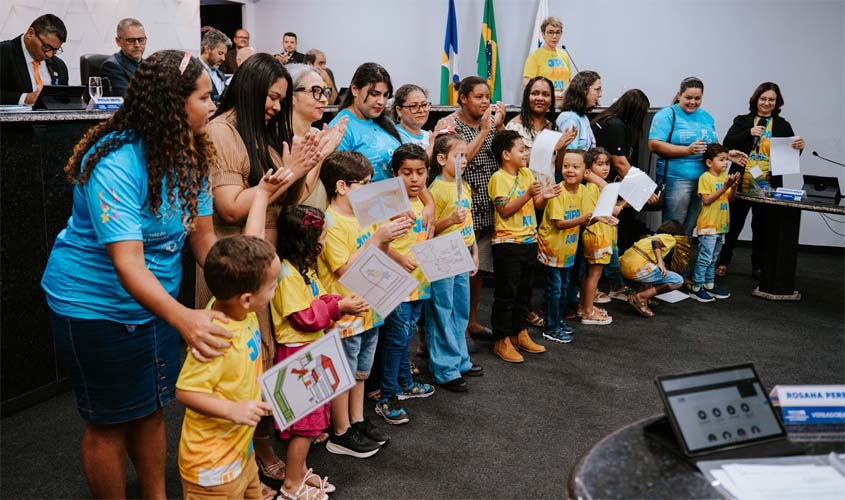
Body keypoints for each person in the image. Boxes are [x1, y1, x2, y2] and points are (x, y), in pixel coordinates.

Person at [40, 49, 222, 499]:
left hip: (154, 302)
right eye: (204, 97)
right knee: (109, 424)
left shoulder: (192, 151)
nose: (212, 106)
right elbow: (128, 264)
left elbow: (202, 238)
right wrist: (184, 318)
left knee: (152, 410)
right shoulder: (115, 162)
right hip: (93, 308)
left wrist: (242, 284)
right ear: (172, 103)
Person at [205, 52, 320, 492]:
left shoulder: (260, 132)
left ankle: (264, 445)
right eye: (271, 98)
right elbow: (232, 205)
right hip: (235, 257)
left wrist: (307, 166)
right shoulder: (221, 131)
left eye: (281, 99)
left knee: (267, 354)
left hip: (266, 254)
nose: (276, 107)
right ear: (251, 90)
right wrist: (285, 177)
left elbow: (288, 199)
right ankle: (248, 453)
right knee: (240, 364)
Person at [269, 204, 367, 500]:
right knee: (306, 426)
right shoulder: (287, 273)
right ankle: (291, 485)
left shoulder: (305, 268)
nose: (325, 241)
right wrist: (339, 307)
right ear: (308, 241)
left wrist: (338, 300)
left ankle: (299, 472)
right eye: (322, 236)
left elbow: (318, 296)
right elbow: (303, 316)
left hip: (311, 350)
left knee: (312, 421)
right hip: (297, 355)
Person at [318, 151, 412, 455]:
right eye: (365, 183)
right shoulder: (330, 221)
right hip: (345, 310)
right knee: (344, 372)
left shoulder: (362, 214)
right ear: (341, 186)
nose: (371, 189)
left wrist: (394, 232)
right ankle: (341, 431)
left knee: (360, 370)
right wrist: (379, 238)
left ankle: (357, 420)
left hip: (370, 305)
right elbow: (343, 269)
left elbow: (378, 250)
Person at [176, 235, 278, 500]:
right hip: (212, 466)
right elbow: (186, 392)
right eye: (272, 286)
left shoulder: (243, 313)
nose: (276, 288)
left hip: (241, 451)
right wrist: (233, 409)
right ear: (246, 298)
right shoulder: (215, 337)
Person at [718, 82, 806, 278]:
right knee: (732, 225)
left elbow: (789, 157)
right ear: (756, 100)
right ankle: (723, 261)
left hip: (768, 185)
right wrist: (749, 133)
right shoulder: (743, 121)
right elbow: (727, 143)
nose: (767, 103)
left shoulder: (783, 125)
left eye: (771, 100)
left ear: (777, 102)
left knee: (762, 227)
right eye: (763, 99)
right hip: (740, 182)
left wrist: (799, 147)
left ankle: (758, 265)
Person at [376, 144, 436, 424]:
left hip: (420, 283)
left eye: (420, 172)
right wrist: (398, 257)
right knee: (396, 340)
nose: (414, 179)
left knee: (405, 338)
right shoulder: (386, 203)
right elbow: (370, 242)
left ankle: (404, 383)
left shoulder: (424, 200)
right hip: (397, 285)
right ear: (394, 173)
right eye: (407, 173)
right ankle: (387, 397)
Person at [488, 130, 559, 363]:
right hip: (507, 243)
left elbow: (536, 204)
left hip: (529, 240)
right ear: (506, 155)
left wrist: (544, 196)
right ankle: (501, 339)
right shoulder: (498, 177)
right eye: (521, 149)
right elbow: (505, 210)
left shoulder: (527, 173)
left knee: (524, 292)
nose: (525, 153)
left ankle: (520, 333)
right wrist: (529, 194)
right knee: (506, 294)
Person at [648, 77, 747, 236]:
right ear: (679, 95)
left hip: (704, 179)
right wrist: (686, 151)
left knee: (691, 224)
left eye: (697, 98)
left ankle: (681, 258)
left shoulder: (706, 117)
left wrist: (727, 155)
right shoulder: (667, 115)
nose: (692, 102)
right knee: (673, 225)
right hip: (677, 178)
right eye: (688, 97)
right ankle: (665, 260)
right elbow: (653, 145)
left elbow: (711, 147)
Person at [448, 76, 506, 340]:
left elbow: (505, 154)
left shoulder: (491, 124)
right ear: (463, 98)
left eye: (487, 97)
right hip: (460, 210)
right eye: (479, 97)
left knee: (478, 269)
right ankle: (457, 330)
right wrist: (484, 131)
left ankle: (471, 322)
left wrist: (500, 127)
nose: (485, 102)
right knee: (457, 273)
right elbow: (461, 162)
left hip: (486, 205)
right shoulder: (450, 124)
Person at [427, 133, 483, 391]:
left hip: (461, 253)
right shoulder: (434, 190)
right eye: (457, 156)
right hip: (441, 254)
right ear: (440, 158)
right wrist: (449, 220)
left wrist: (474, 252)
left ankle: (460, 359)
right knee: (442, 310)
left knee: (460, 308)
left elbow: (468, 223)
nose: (463, 161)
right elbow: (427, 230)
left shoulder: (465, 185)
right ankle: (444, 367)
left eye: (464, 156)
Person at [591, 88, 653, 255]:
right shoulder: (615, 124)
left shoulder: (607, 118)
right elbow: (620, 163)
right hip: (601, 182)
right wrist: (645, 188)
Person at [537, 149, 588, 343]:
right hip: (551, 249)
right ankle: (551, 327)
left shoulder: (583, 191)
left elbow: (584, 220)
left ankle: (557, 320)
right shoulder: (558, 191)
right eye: (566, 166)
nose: (570, 170)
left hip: (568, 250)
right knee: (555, 289)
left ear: (585, 170)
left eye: (576, 166)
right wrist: (583, 219)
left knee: (564, 287)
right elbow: (559, 223)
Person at [286, 63, 347, 211]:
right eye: (315, 91)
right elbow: (294, 200)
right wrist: (322, 154)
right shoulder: (281, 139)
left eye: (324, 92)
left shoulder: (319, 134)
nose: (324, 100)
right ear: (291, 96)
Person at [330, 62, 403, 182]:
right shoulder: (340, 128)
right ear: (355, 90)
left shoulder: (385, 121)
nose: (381, 101)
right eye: (375, 94)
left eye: (386, 95)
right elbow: (339, 180)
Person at [689, 143, 739, 302]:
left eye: (727, 160)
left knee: (713, 257)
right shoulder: (705, 177)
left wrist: (734, 186)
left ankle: (709, 284)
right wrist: (725, 187)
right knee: (705, 257)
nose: (726, 163)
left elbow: (730, 199)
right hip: (708, 225)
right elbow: (707, 200)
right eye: (722, 160)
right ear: (710, 162)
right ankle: (697, 287)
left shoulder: (725, 178)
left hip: (721, 225)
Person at [579, 148, 620, 325]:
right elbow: (596, 213)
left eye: (607, 164)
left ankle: (585, 306)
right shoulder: (592, 187)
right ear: (588, 168)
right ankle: (588, 311)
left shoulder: (596, 186)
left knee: (592, 274)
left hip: (602, 235)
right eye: (599, 164)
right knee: (593, 274)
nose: (605, 168)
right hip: (597, 236)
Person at [621, 220, 686, 318]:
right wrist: (660, 262)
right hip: (636, 270)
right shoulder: (669, 238)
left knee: (652, 267)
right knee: (678, 280)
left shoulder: (649, 237)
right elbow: (656, 242)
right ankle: (642, 297)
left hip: (624, 267)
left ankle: (644, 295)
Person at [0, 13, 68, 105]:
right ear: (31, 33)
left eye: (55, 50)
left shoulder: (59, 66)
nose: (49, 54)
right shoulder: (4, 53)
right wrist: (24, 99)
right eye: (47, 47)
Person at [522, 16, 572, 109]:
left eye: (558, 32)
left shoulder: (564, 55)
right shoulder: (535, 56)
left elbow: (569, 81)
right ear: (543, 34)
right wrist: (546, 94)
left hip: (564, 104)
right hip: (544, 105)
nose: (554, 36)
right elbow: (527, 83)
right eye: (550, 32)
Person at [555, 71, 602, 154]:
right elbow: (570, 154)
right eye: (597, 89)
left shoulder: (583, 117)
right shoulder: (569, 118)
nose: (600, 94)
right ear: (584, 90)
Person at [101, 18, 146, 97]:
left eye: (141, 40)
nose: (137, 45)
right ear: (118, 41)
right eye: (131, 40)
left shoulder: (150, 65)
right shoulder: (111, 66)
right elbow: (128, 100)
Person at [199, 28, 231, 102]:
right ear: (207, 49)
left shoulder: (221, 75)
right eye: (220, 53)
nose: (223, 59)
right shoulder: (192, 72)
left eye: (225, 55)